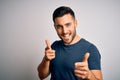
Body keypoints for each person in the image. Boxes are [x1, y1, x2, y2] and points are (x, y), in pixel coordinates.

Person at [37, 6, 103, 80]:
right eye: (59, 27)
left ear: (75, 23)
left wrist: (89, 75)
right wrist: (46, 59)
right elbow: (41, 76)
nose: (64, 31)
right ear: (55, 27)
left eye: (68, 25)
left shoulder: (90, 49)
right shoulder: (54, 46)